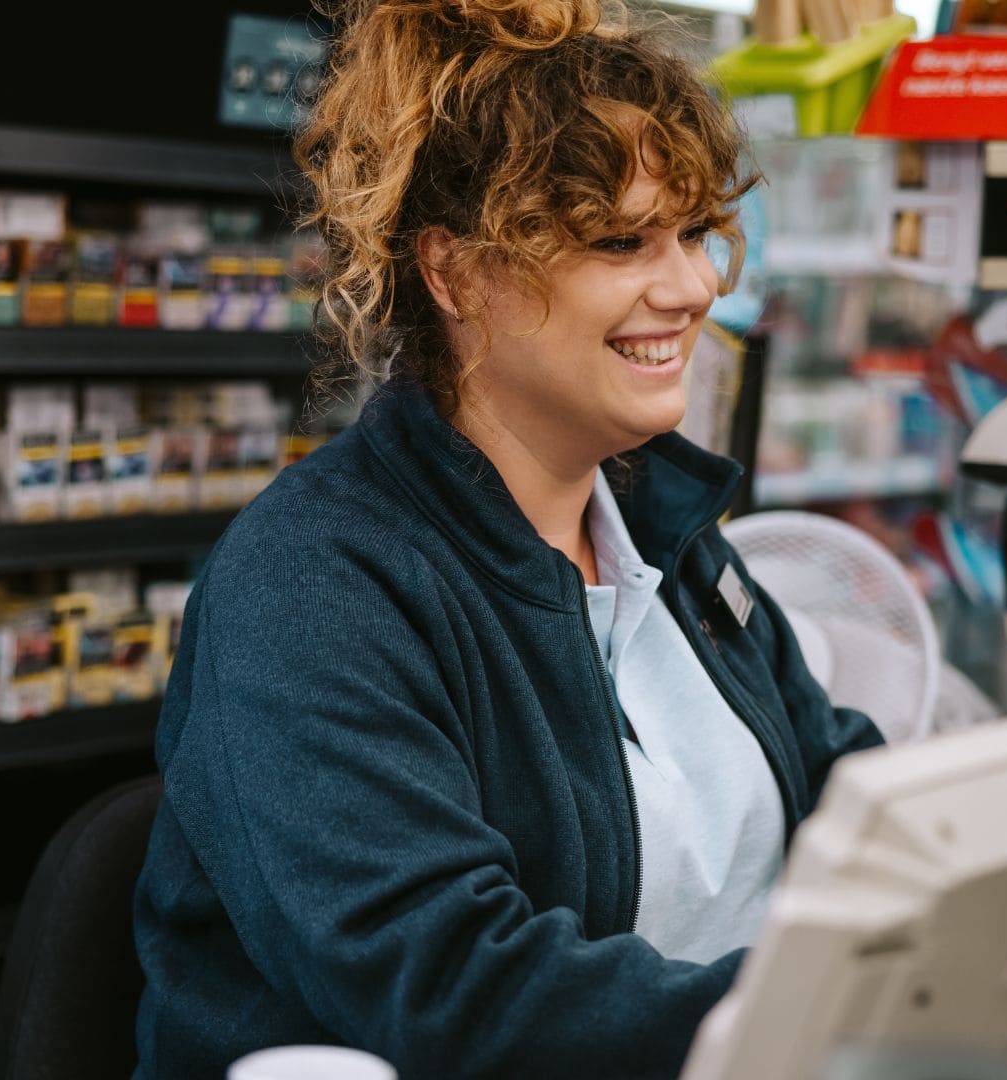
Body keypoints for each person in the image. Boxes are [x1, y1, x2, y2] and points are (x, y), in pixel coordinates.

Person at [131, 0, 882, 1075]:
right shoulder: (312, 586)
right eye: (620, 242)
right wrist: (813, 1019)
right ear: (454, 273)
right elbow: (451, 986)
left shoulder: (672, 536)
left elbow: (848, 796)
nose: (691, 286)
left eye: (693, 234)